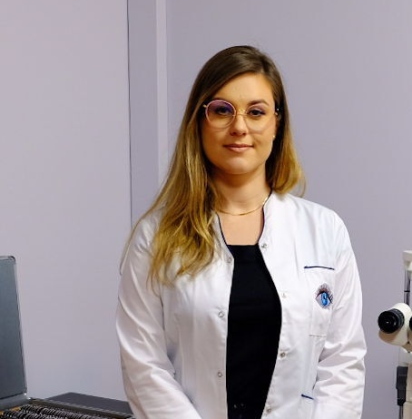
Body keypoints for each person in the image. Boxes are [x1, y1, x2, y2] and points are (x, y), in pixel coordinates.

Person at [116, 45, 366, 419]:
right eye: (222, 110)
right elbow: (143, 366)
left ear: (277, 123)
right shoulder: (155, 237)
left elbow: (342, 362)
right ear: (199, 121)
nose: (239, 127)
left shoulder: (325, 230)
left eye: (256, 112)